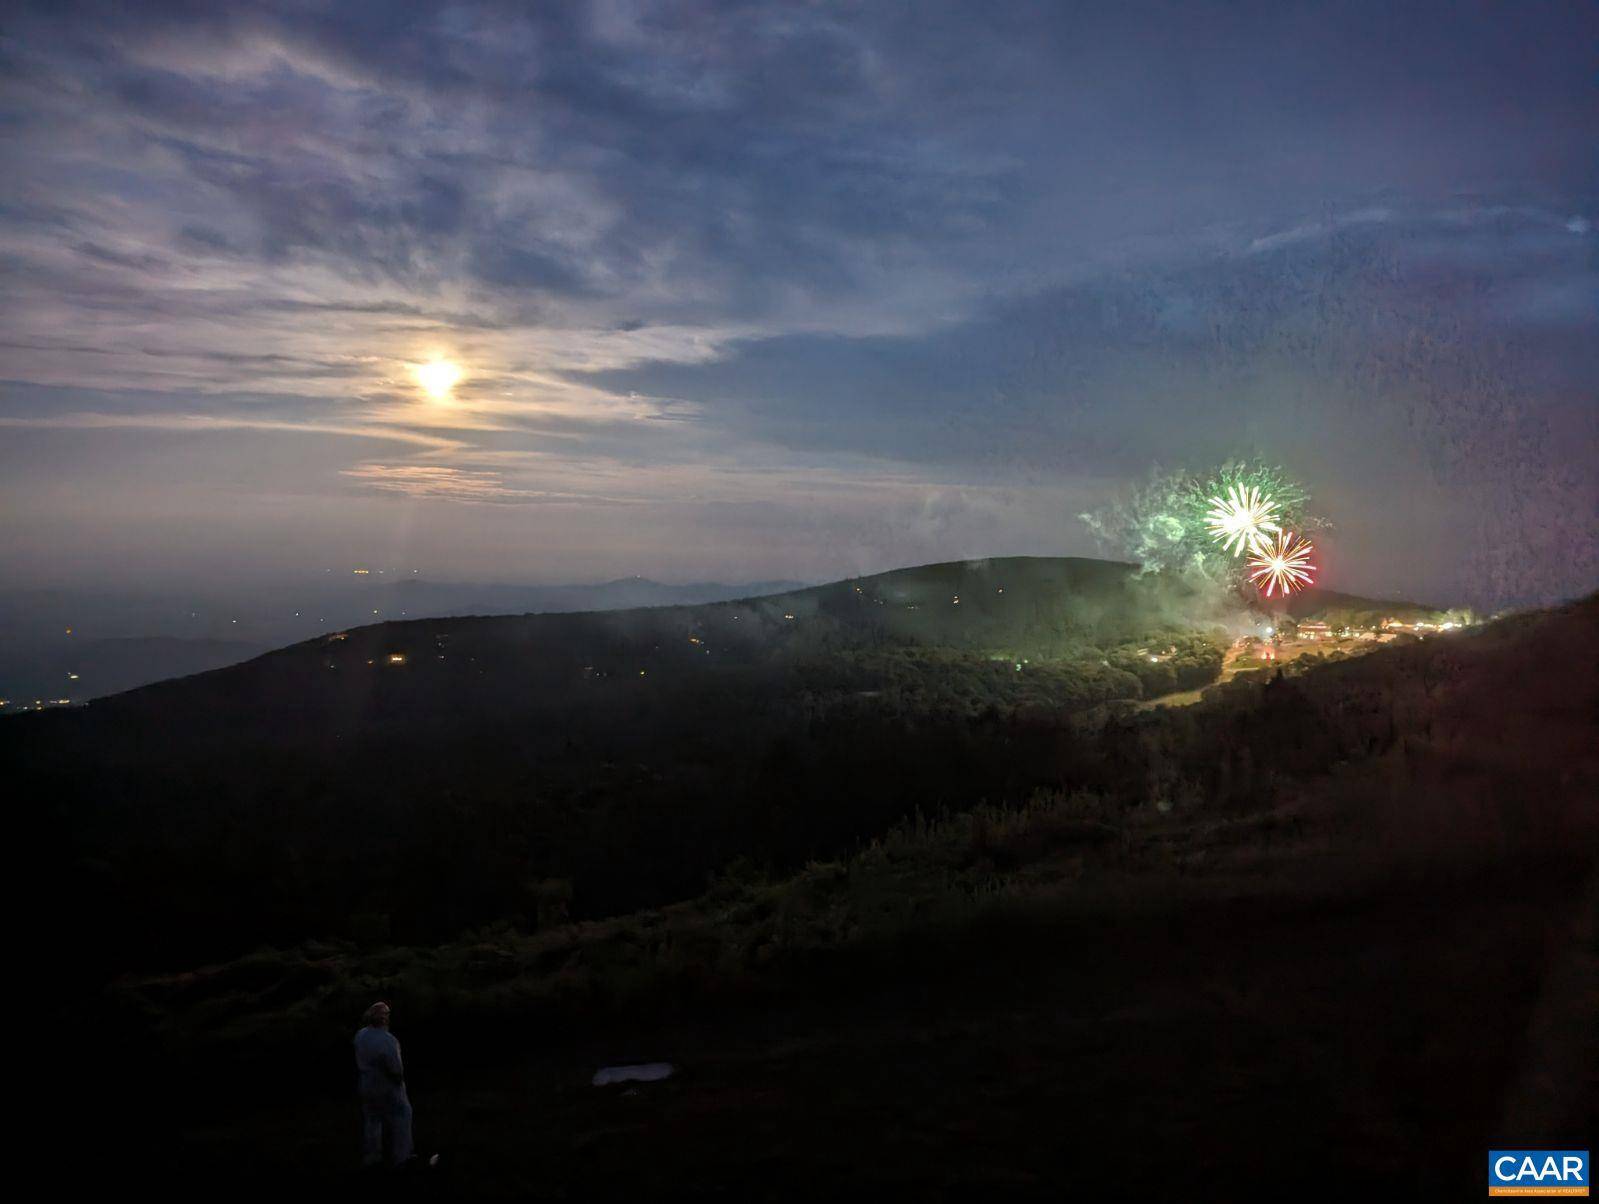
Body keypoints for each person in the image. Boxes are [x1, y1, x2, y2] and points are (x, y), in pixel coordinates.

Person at [353, 1001, 413, 1168]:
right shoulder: (388, 1041)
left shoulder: (361, 1035)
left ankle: (372, 1157)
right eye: (386, 1013)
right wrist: (399, 1081)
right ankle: (402, 1156)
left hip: (366, 1084)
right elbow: (395, 1069)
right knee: (402, 1116)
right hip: (386, 1086)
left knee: (372, 1121)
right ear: (383, 1018)